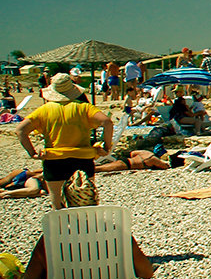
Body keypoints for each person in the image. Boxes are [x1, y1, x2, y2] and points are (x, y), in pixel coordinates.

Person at [16, 73, 113, 209]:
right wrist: (106, 147)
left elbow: (20, 130)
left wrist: (32, 153)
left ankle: (61, 229)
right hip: (82, 158)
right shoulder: (84, 108)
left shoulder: (44, 110)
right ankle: (83, 228)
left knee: (57, 204)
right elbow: (107, 122)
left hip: (54, 159)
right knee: (84, 203)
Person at [95, 149, 170, 172]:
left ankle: (88, 168)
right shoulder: (153, 159)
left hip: (127, 160)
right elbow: (164, 167)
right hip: (129, 164)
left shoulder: (145, 152)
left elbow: (132, 153)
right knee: (102, 169)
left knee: (104, 166)